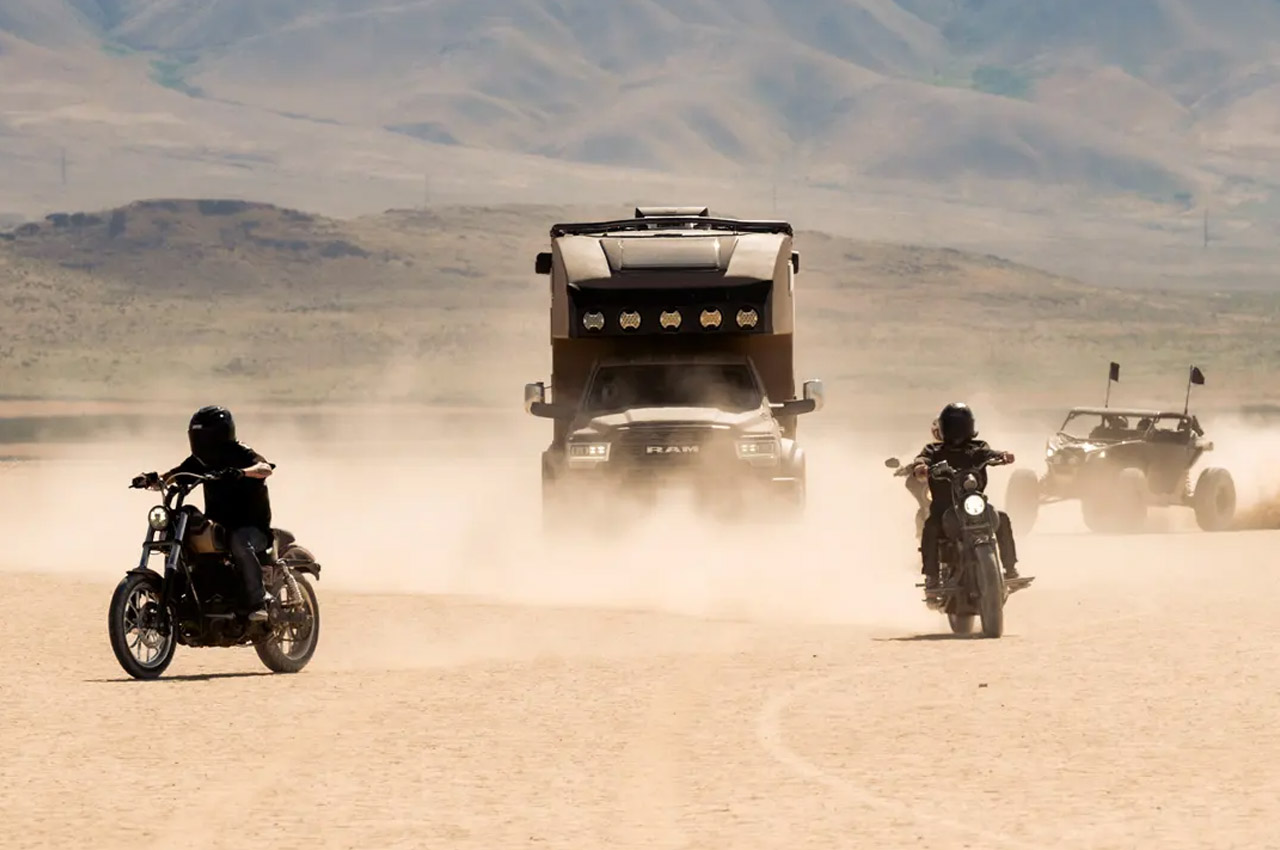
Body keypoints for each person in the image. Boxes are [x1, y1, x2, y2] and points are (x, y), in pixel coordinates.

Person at [143, 406, 276, 623]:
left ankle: (258, 601)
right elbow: (176, 475)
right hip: (219, 525)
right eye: (198, 437)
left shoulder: (240, 452)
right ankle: (183, 597)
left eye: (207, 437)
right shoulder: (199, 461)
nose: (203, 443)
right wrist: (153, 480)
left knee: (240, 542)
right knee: (187, 536)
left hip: (251, 527)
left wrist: (242, 472)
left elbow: (265, 468)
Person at [911, 402, 1019, 592]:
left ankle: (1010, 569)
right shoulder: (933, 450)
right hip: (945, 509)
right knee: (931, 528)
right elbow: (922, 459)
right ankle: (931, 576)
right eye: (953, 425)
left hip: (973, 504)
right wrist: (921, 467)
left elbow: (989, 454)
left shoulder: (978, 447)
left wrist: (1003, 455)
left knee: (1001, 518)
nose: (957, 430)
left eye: (961, 425)